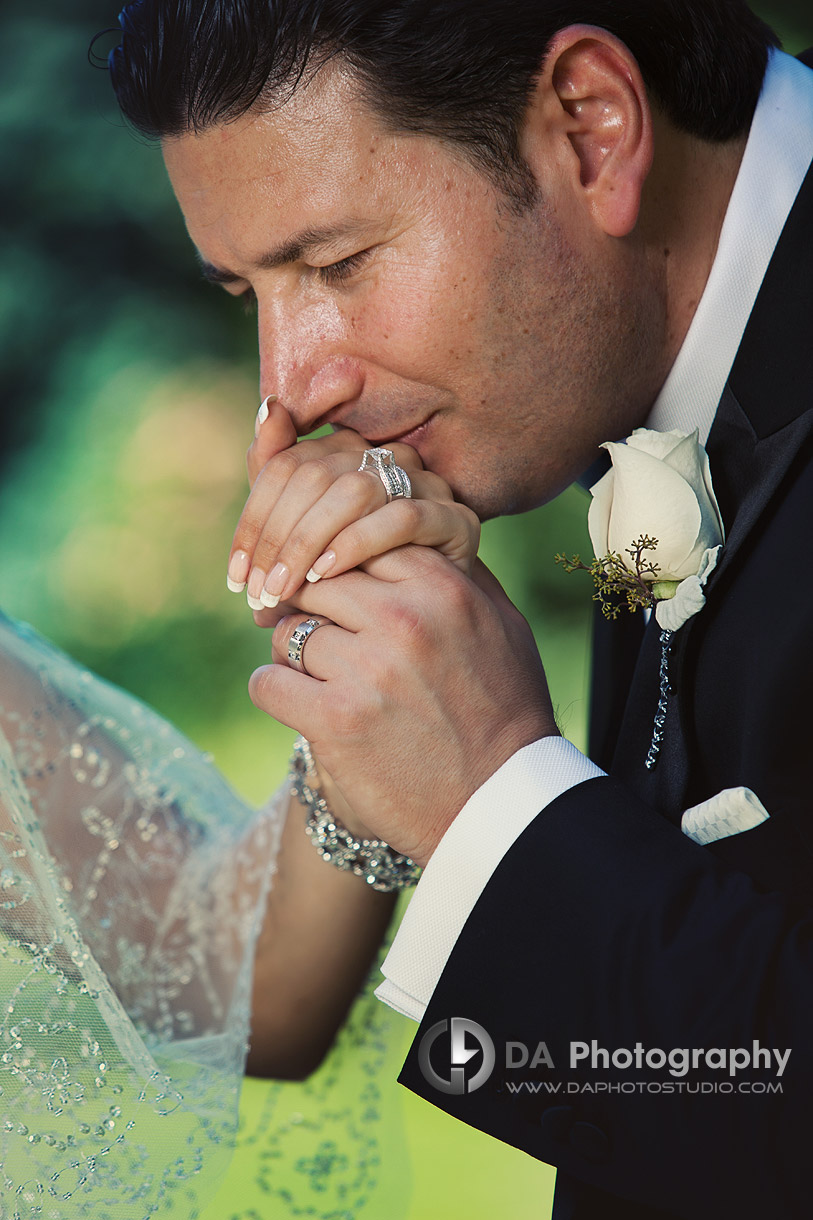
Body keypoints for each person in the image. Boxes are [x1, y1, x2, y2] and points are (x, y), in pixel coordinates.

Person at [106, 1, 813, 1216]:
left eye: (336, 263)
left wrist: (494, 794)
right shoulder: (636, 390)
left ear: (592, 129)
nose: (292, 385)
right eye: (248, 293)